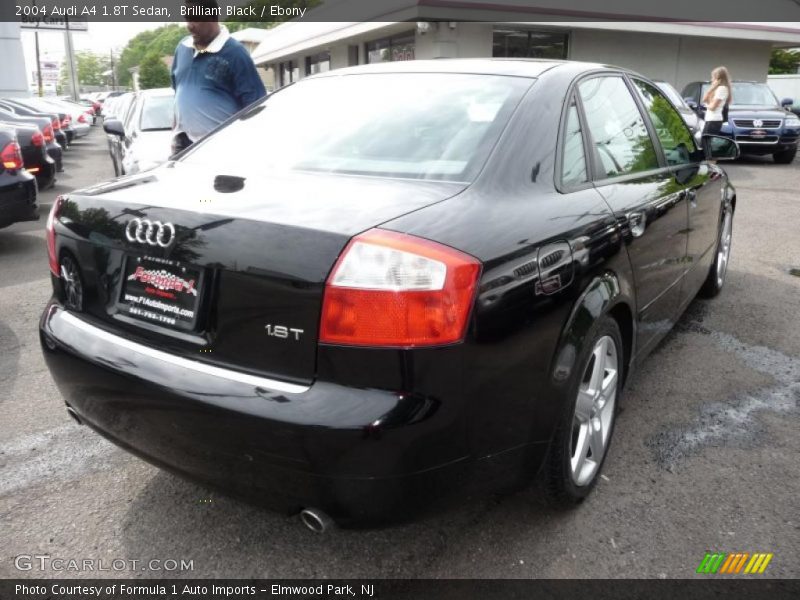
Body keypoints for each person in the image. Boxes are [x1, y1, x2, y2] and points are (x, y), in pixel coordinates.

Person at [171, 0, 267, 154]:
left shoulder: (236, 53)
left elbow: (256, 106)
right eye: (187, 18)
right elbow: (177, 94)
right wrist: (174, 132)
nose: (190, 25)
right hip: (182, 145)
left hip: (220, 149)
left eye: (195, 18)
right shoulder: (182, 49)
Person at [702, 66, 732, 136]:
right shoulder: (717, 89)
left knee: (706, 143)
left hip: (714, 120)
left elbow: (712, 107)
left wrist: (706, 105)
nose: (712, 79)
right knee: (705, 142)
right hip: (710, 119)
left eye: (713, 77)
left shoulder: (722, 89)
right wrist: (711, 89)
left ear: (719, 79)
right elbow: (705, 100)